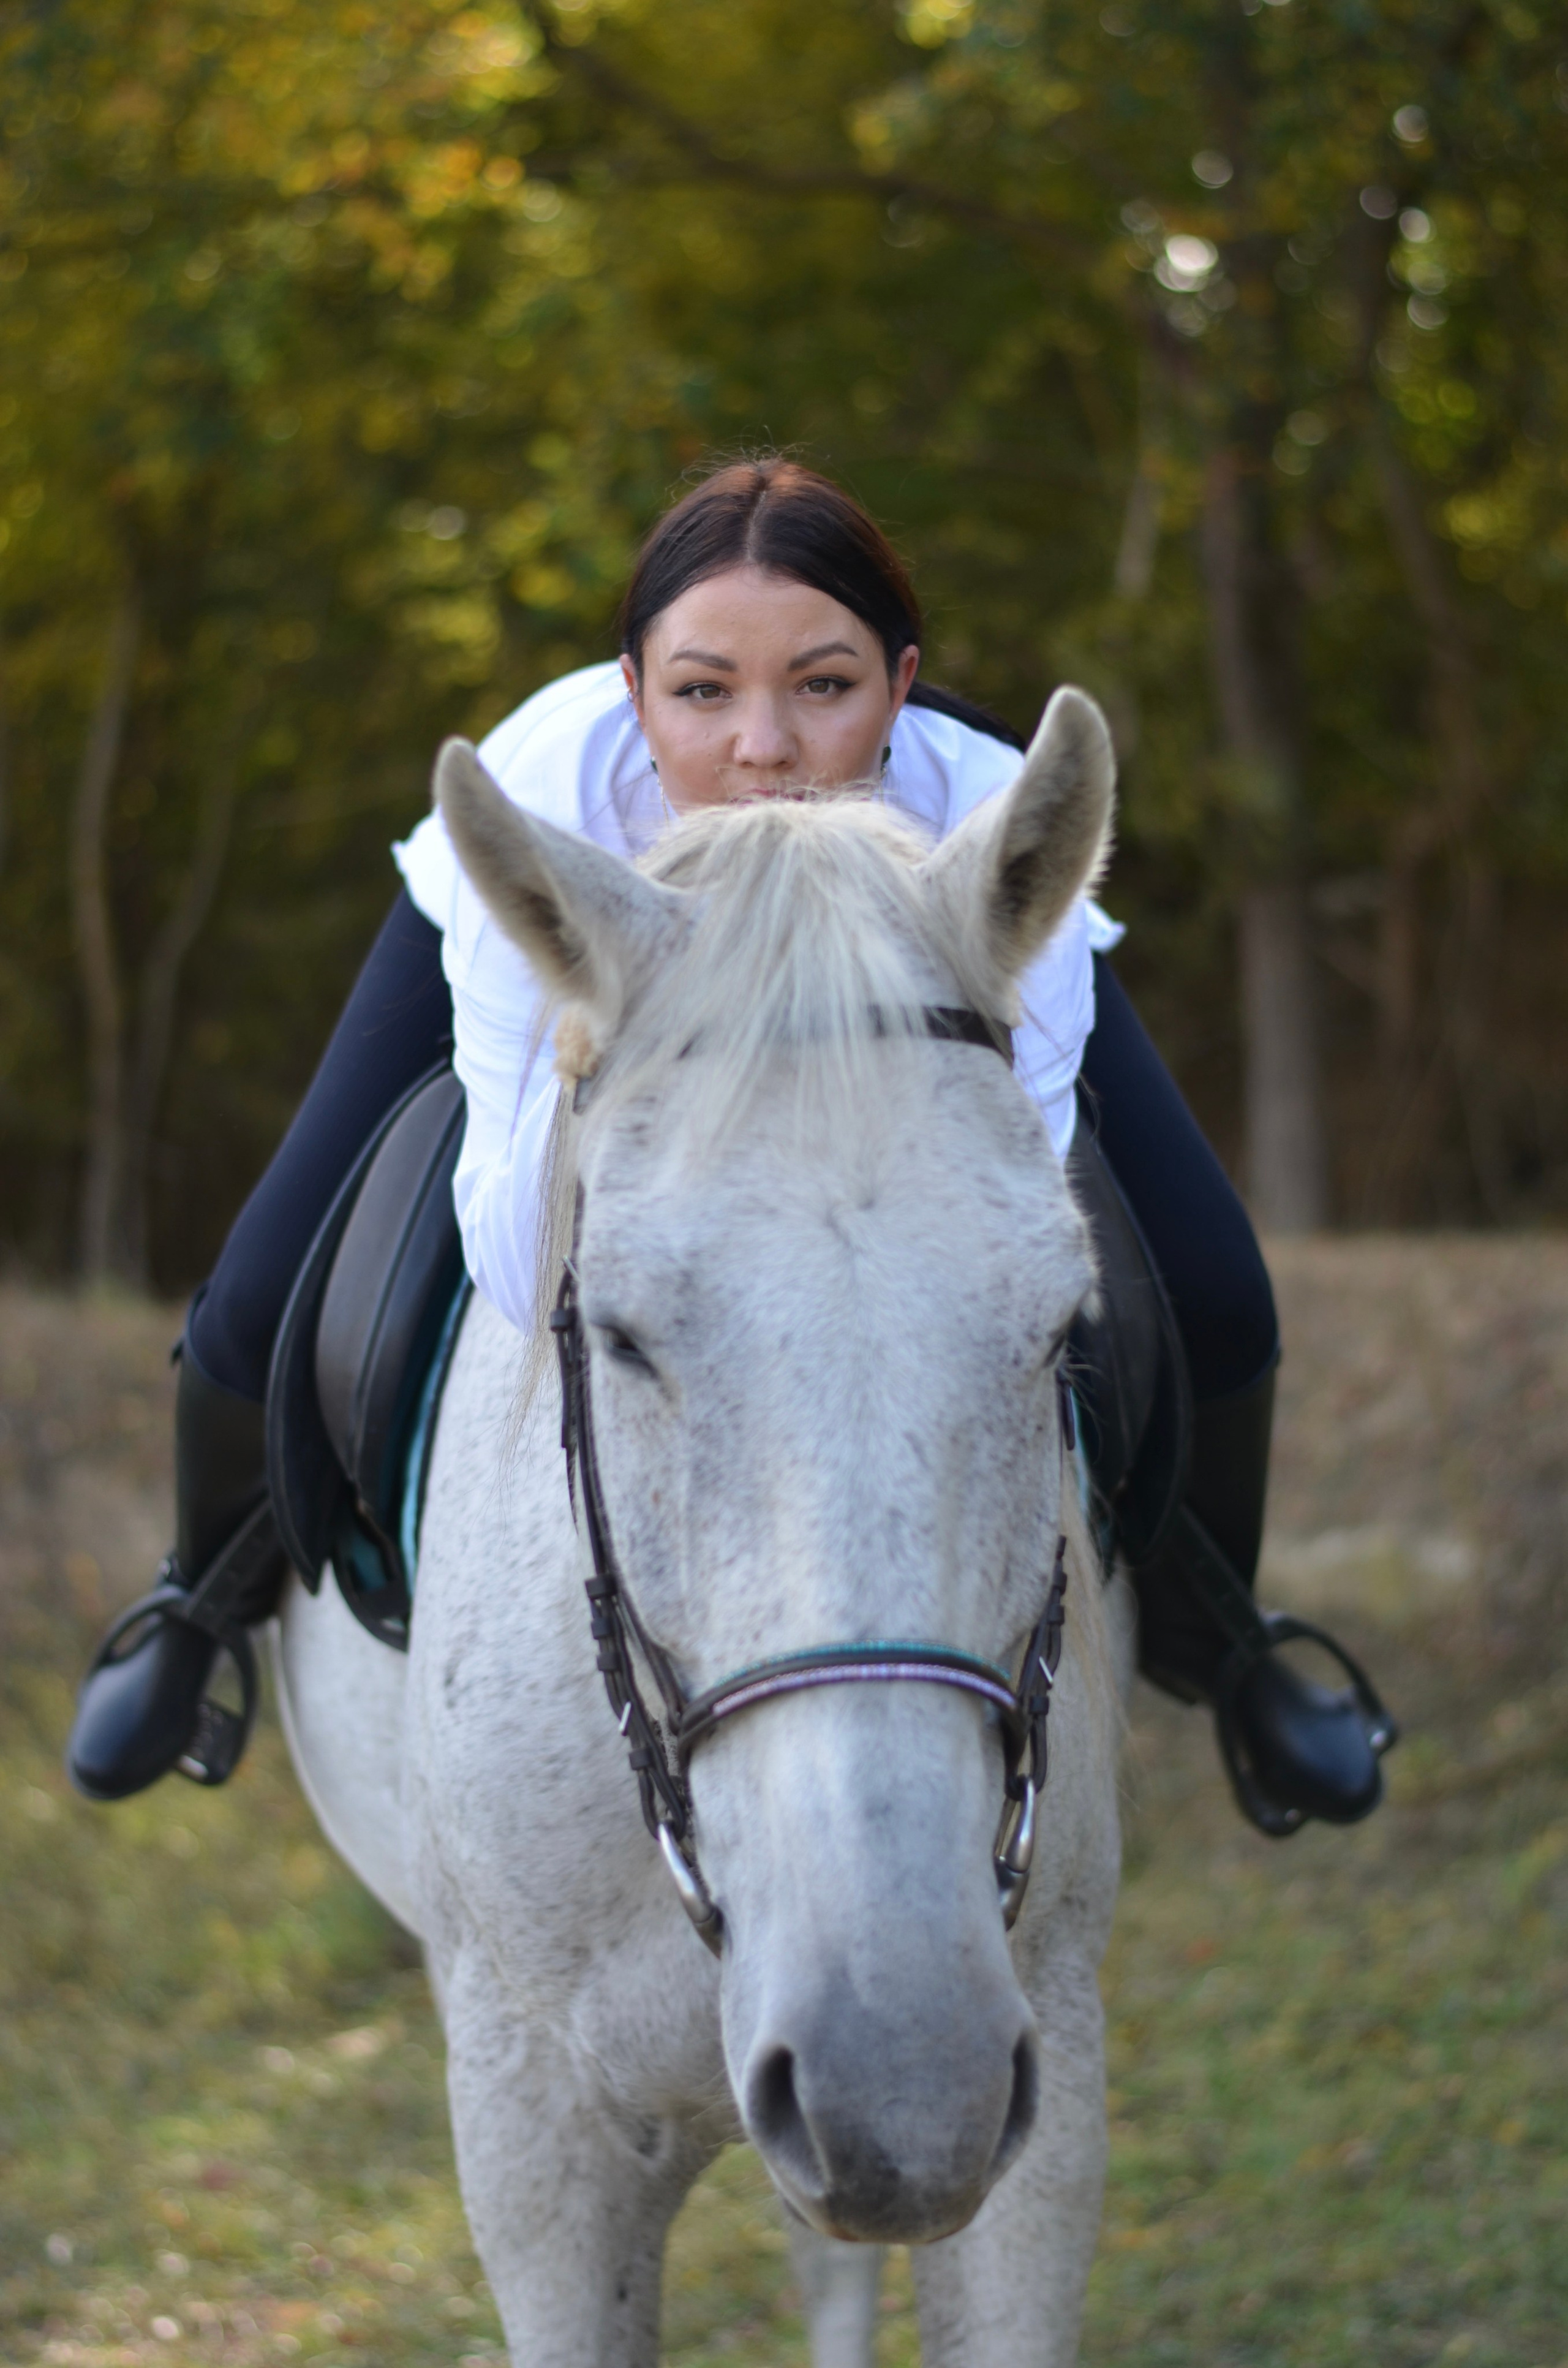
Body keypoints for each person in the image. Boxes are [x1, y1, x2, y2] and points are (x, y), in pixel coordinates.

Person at [68, 457, 1387, 1832]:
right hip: (559, 925)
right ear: (633, 693)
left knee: (1216, 1290)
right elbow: (526, 1271)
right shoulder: (545, 788)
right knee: (257, 1287)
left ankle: (1221, 1643)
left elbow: (1010, 1203)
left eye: (825, 686)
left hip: (914, 958)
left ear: (901, 682)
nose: (762, 748)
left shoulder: (989, 811)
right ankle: (198, 1605)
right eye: (703, 692)